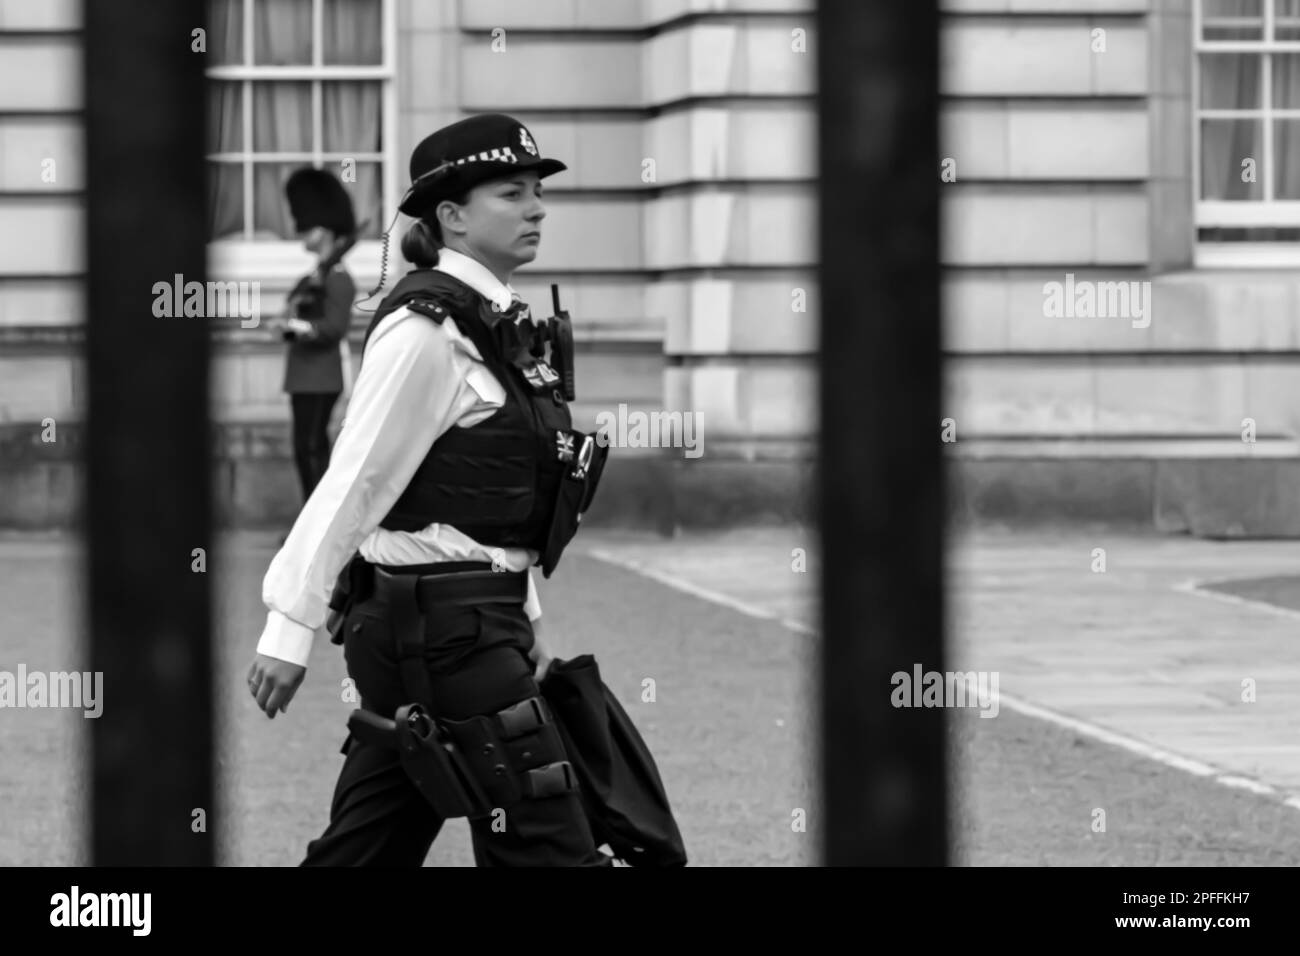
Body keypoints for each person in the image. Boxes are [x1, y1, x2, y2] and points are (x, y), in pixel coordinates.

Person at [246, 113, 612, 867]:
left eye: (536, 191)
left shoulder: (492, 325)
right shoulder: (426, 331)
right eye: (511, 193)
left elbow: (491, 507)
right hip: (447, 637)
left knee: (365, 851)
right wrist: (290, 626)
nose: (537, 207)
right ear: (451, 216)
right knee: (552, 849)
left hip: (462, 626)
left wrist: (528, 615)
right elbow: (355, 480)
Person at [276, 167, 358, 503]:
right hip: (304, 376)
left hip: (320, 377)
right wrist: (287, 324)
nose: (302, 233)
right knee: (304, 450)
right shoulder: (316, 275)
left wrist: (298, 327)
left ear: (322, 231)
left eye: (308, 227)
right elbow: (296, 311)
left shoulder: (337, 277)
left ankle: (317, 523)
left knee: (311, 450)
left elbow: (334, 328)